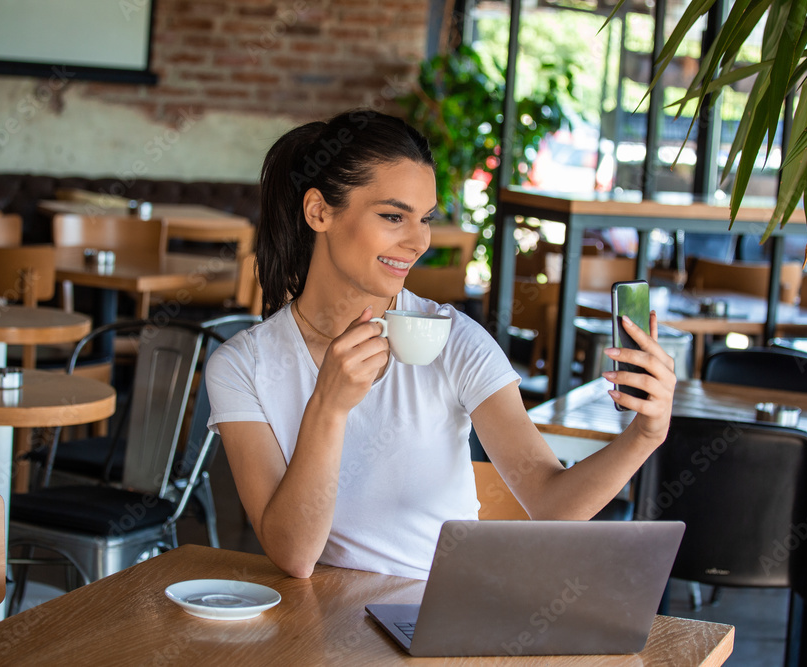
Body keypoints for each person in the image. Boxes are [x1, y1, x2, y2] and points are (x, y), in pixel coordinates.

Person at [205, 109, 676, 580]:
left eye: (425, 218)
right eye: (393, 216)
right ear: (319, 211)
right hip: (316, 625)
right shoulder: (242, 366)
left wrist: (645, 435)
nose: (418, 241)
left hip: (431, 621)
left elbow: (552, 502)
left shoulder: (454, 340)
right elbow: (293, 555)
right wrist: (328, 407)